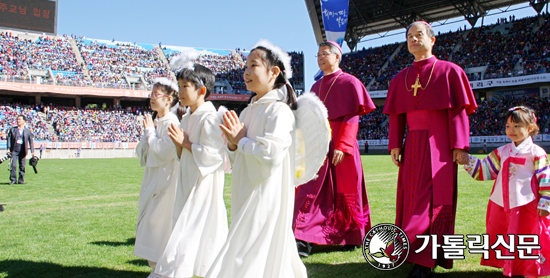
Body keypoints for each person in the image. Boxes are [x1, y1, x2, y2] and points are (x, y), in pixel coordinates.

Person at [383, 21, 477, 278]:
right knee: (412, 199)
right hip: (411, 144)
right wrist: (394, 144)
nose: (414, 39)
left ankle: (426, 259)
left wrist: (460, 146)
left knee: (435, 200)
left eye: (419, 35)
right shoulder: (400, 78)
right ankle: (412, 251)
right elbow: (396, 115)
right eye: (409, 36)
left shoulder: (449, 71)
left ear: (432, 40)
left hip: (440, 145)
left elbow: (457, 111)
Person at [206, 40, 307, 278]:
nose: (246, 72)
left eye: (253, 66)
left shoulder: (279, 110)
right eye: (245, 67)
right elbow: (238, 153)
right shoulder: (249, 109)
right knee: (245, 244)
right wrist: (232, 144)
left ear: (274, 72)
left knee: (252, 247)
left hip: (266, 190)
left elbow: (269, 156)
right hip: (246, 186)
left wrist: (240, 140)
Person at [293, 41, 376, 256]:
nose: (320, 57)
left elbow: (352, 116)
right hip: (319, 144)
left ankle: (352, 236)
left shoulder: (350, 82)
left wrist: (343, 145)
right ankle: (304, 238)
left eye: (325, 53)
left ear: (337, 57)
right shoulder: (314, 87)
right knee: (310, 190)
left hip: (341, 143)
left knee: (347, 191)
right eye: (318, 54)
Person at [153, 62, 228, 278]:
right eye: (179, 85)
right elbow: (182, 153)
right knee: (185, 224)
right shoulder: (187, 117)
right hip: (187, 178)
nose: (180, 91)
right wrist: (180, 146)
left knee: (194, 226)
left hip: (202, 185)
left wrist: (186, 144)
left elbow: (213, 155)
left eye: (185, 86)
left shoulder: (209, 118)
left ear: (201, 90)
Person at [461, 106, 550, 278]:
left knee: (525, 235)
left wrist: (545, 202)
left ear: (530, 128)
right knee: (502, 234)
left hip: (525, 205)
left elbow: (546, 179)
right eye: (508, 126)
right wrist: (467, 160)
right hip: (500, 203)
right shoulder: (502, 151)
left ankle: (527, 269)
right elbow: (485, 170)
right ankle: (508, 266)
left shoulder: (536, 152)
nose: (511, 130)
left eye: (517, 126)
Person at [134, 78, 181, 274]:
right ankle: (158, 268)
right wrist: (148, 133)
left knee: (158, 226)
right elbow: (143, 153)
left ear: (169, 99)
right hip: (153, 180)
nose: (152, 98)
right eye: (151, 94)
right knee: (149, 224)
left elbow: (163, 152)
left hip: (165, 184)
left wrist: (150, 133)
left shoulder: (172, 122)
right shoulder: (156, 121)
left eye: (156, 94)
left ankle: (163, 269)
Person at [7, 115, 34, 185]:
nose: (18, 121)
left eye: (19, 119)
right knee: (13, 166)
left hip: (23, 150)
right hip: (14, 150)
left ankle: (21, 180)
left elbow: (30, 141)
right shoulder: (13, 130)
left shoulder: (27, 131)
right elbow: (9, 139)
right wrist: (8, 149)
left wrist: (32, 151)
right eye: (17, 119)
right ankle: (13, 180)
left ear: (24, 121)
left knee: (22, 166)